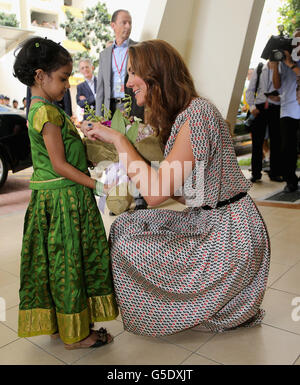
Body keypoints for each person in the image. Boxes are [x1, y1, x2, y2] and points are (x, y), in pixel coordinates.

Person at [82, 39, 270, 336]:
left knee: (130, 247)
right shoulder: (187, 114)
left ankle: (185, 309)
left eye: (133, 73)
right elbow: (188, 193)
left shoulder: (196, 116)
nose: (128, 82)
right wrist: (135, 169)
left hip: (231, 235)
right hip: (211, 219)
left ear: (156, 75)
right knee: (126, 226)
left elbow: (156, 196)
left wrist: (120, 142)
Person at [13, 36, 118, 349]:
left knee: (58, 264)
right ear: (40, 76)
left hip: (57, 199)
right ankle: (78, 336)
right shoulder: (46, 113)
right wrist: (98, 186)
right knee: (69, 264)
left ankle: (63, 326)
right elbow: (59, 165)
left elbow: (62, 158)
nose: (67, 85)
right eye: (62, 78)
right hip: (63, 201)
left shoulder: (44, 108)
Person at [96, 9, 147, 211]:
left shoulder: (138, 49)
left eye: (130, 22)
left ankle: (140, 196)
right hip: (111, 107)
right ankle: (117, 198)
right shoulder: (104, 54)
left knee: (135, 149)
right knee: (114, 154)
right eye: (124, 22)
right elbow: (100, 87)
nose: (127, 26)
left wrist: (139, 111)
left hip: (132, 105)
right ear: (113, 25)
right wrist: (101, 116)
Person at [272, 28, 300, 192]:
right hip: (288, 110)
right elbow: (277, 85)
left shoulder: (290, 61)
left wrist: (291, 64)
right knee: (287, 148)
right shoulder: (284, 60)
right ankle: (290, 181)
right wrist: (276, 66)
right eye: (295, 40)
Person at [246, 61, 283, 183]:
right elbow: (251, 89)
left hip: (276, 107)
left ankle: (275, 172)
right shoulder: (260, 68)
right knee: (257, 142)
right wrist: (252, 107)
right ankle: (256, 174)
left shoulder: (282, 68)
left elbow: (287, 87)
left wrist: (280, 98)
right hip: (259, 108)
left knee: (276, 140)